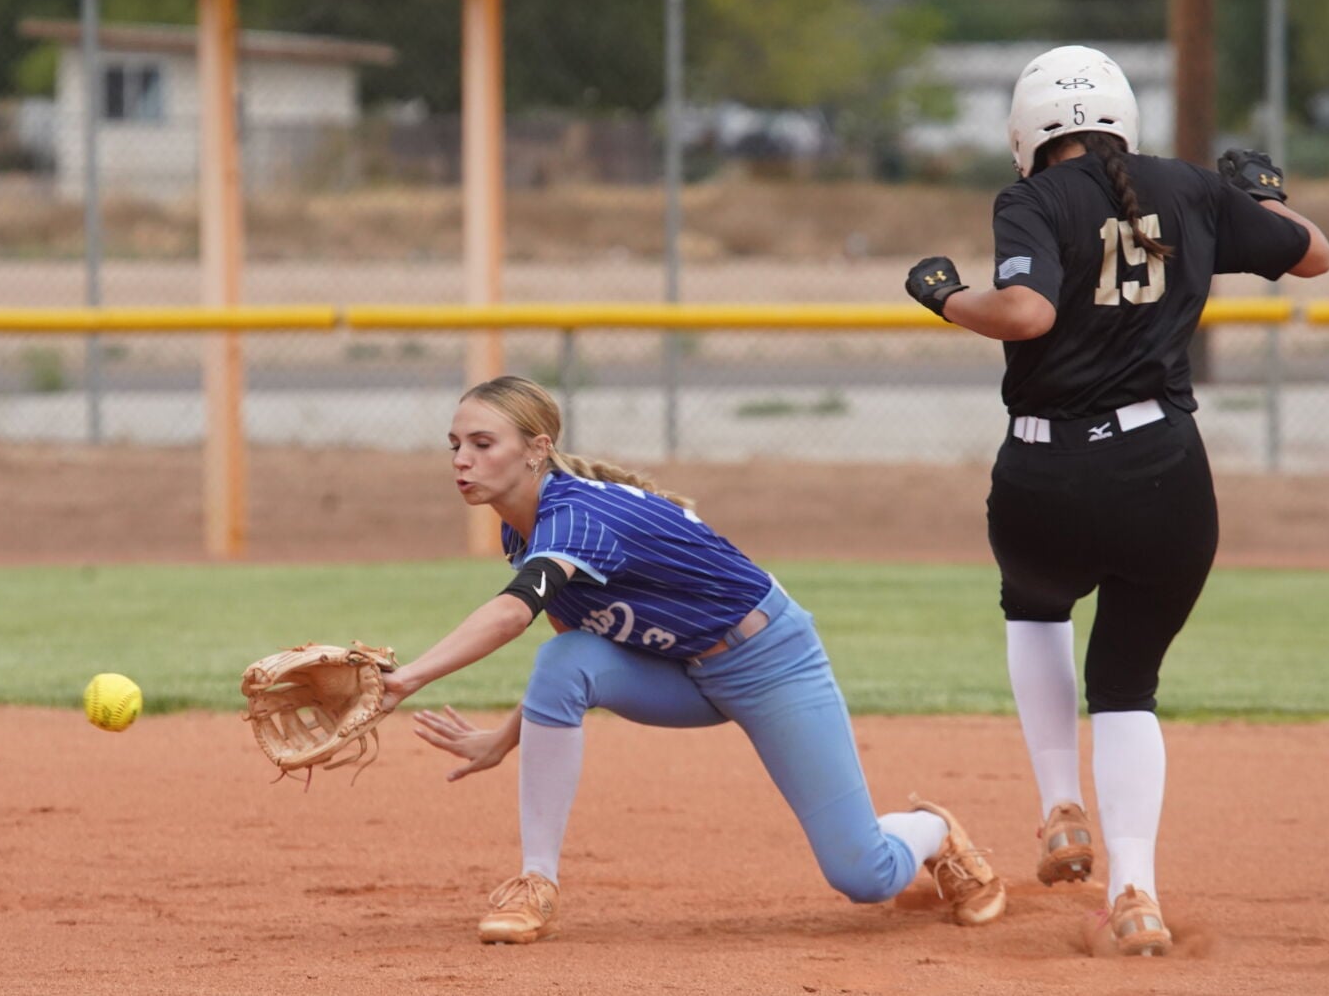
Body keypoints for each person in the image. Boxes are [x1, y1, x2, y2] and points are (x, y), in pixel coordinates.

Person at [903, 45, 1329, 956]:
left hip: (1043, 475)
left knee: (1034, 604)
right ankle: (1136, 895)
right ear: (1123, 120)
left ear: (1025, 133)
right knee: (1127, 688)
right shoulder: (1189, 186)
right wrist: (1259, 202)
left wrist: (944, 297)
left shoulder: (1030, 197)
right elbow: (1314, 256)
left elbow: (1025, 312)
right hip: (1162, 473)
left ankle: (1060, 804)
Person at [378, 374, 1006, 944]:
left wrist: (407, 678)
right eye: (454, 444)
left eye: (482, 443)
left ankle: (932, 830)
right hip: (678, 672)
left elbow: (512, 614)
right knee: (564, 658)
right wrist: (505, 737)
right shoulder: (521, 530)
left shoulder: (576, 517)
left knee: (865, 876)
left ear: (537, 449)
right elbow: (574, 643)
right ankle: (535, 883)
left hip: (770, 664)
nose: (461, 459)